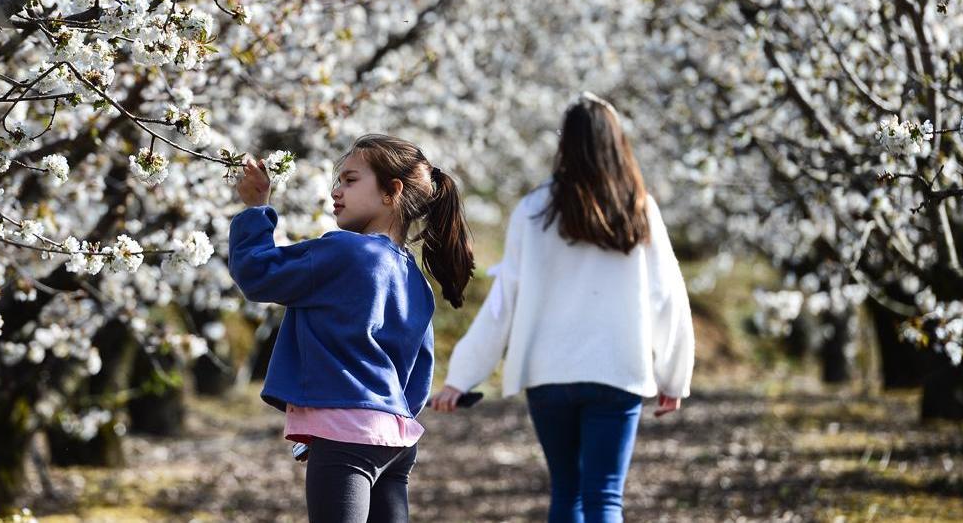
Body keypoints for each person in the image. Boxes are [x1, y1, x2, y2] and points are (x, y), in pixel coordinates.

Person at [429, 92, 695, 523]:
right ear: (617, 142)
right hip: (618, 370)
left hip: (548, 373)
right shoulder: (638, 209)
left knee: (567, 493)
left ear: (564, 144)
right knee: (604, 497)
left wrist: (462, 376)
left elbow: (503, 303)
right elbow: (666, 295)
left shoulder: (535, 209)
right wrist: (673, 376)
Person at [228, 134, 474, 523]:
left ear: (392, 191)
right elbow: (418, 375)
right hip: (395, 439)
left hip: (347, 436)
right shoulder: (416, 280)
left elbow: (257, 274)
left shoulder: (342, 251)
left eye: (350, 180)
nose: (336, 191)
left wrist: (256, 208)